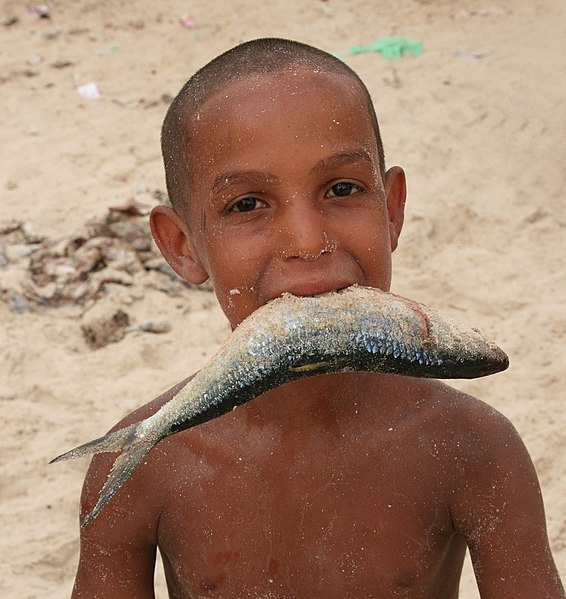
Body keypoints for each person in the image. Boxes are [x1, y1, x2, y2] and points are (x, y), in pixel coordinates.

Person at [72, 38, 564, 598]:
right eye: (248, 204)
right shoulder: (140, 462)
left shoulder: (474, 448)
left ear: (392, 207)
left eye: (342, 189)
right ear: (183, 246)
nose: (308, 242)